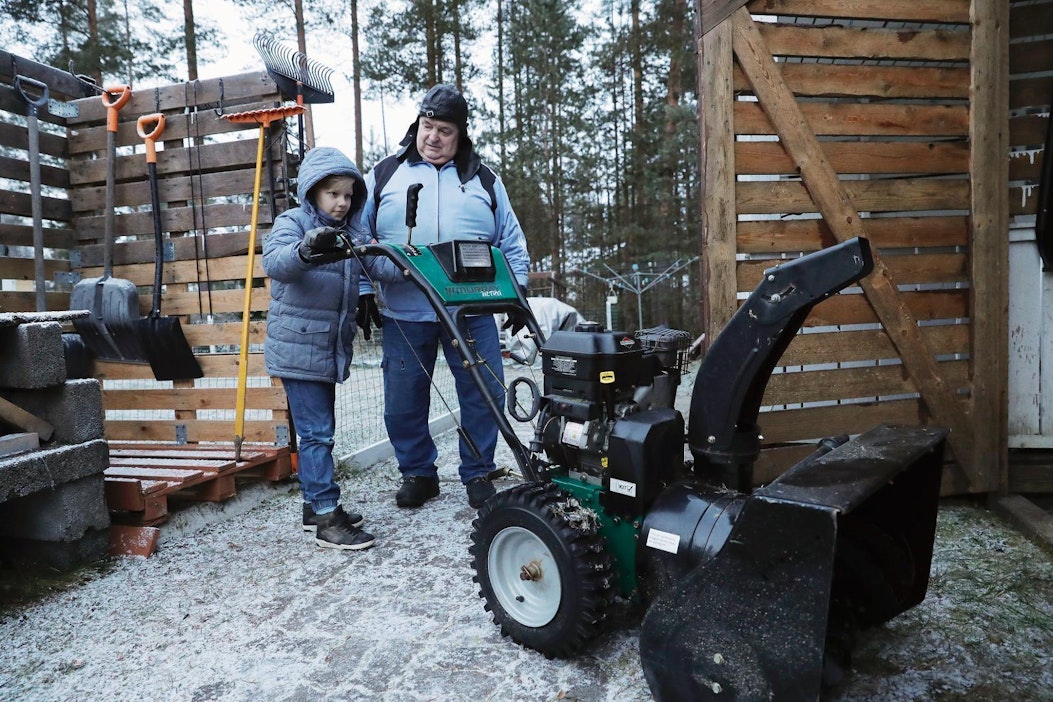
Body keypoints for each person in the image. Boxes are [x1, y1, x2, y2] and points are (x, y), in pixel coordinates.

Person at [359, 83, 531, 510]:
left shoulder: (484, 179)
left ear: (461, 135)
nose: (433, 137)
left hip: (472, 308)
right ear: (417, 125)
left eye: (444, 131)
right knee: (403, 399)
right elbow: (359, 236)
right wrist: (363, 289)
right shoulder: (385, 174)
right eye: (427, 126)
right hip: (405, 310)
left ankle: (478, 471)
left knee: (484, 393)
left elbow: (511, 240)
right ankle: (418, 473)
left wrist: (519, 292)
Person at [262, 146, 376, 550]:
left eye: (348, 195)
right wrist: (305, 250)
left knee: (319, 431)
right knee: (317, 434)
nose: (342, 202)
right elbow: (276, 263)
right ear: (312, 191)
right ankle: (327, 518)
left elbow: (372, 265)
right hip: (298, 346)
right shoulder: (293, 223)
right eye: (333, 194)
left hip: (323, 348)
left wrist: (405, 259)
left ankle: (314, 506)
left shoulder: (350, 232)